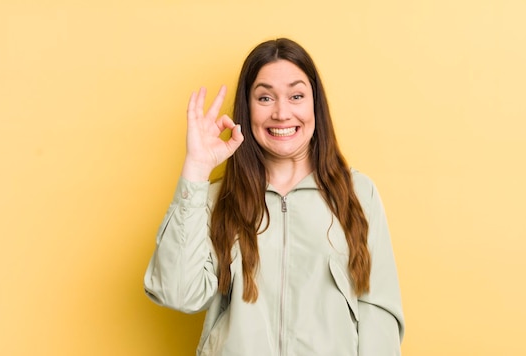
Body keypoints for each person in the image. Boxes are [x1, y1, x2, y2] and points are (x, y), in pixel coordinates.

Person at [144, 37, 404, 355]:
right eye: (265, 98)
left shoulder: (358, 195)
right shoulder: (215, 200)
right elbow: (176, 293)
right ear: (247, 107)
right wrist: (195, 171)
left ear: (314, 106)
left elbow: (379, 312)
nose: (281, 113)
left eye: (296, 96)